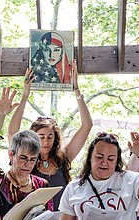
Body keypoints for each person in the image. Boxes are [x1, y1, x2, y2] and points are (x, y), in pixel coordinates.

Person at [7, 60, 93, 210]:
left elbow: (87, 125)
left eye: (50, 137)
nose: (46, 142)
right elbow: (12, 132)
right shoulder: (26, 161)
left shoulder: (63, 157)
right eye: (41, 137)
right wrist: (25, 95)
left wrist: (76, 90)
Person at [0, 87, 53, 210]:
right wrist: (0, 115)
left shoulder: (42, 185)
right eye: (23, 158)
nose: (27, 164)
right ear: (11, 155)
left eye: (32, 159)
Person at [59, 132, 139, 220]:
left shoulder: (131, 180)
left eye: (110, 159)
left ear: (117, 161)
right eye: (99, 157)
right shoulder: (73, 187)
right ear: (90, 157)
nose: (104, 162)